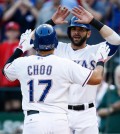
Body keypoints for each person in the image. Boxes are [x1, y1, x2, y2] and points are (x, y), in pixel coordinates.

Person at [3, 24, 109, 134]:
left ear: (35, 44)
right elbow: (96, 78)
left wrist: (20, 49)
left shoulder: (23, 63)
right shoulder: (64, 63)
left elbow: (5, 70)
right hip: (59, 120)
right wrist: (100, 60)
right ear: (55, 43)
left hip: (34, 119)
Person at [44, 6, 119, 134]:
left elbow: (116, 40)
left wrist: (93, 21)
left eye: (81, 29)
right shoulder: (58, 48)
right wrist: (51, 22)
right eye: (73, 29)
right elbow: (32, 39)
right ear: (69, 32)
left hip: (87, 113)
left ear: (88, 33)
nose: (76, 32)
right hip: (62, 112)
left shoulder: (96, 50)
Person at [97, 65, 120, 134]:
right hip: (108, 131)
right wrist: (112, 109)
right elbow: (99, 111)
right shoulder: (110, 92)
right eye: (119, 77)